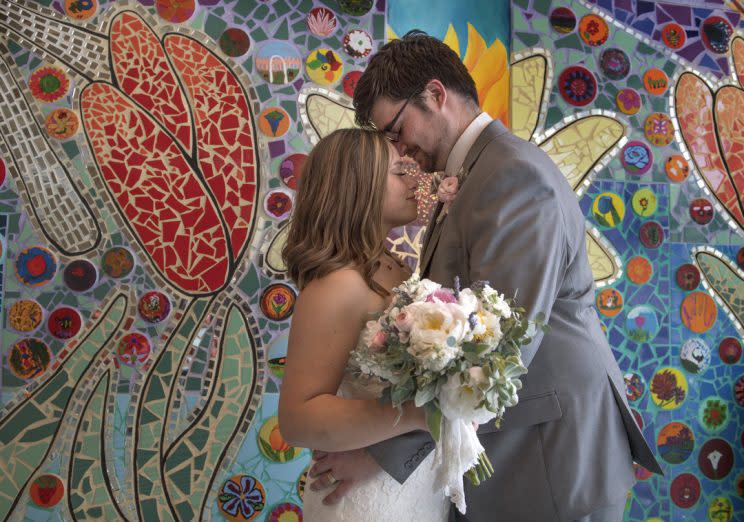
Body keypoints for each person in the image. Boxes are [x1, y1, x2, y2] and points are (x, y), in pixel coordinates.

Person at [310, 30, 663, 522]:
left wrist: (381, 451)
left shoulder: (511, 176)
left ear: (435, 95)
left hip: (552, 455)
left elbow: (499, 347)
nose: (400, 152)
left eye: (395, 130)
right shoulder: (477, 172)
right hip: (519, 447)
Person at [278, 128, 450, 520]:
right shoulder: (337, 285)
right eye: (398, 172)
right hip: (365, 502)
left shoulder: (392, 263)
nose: (415, 180)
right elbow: (297, 418)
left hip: (412, 484)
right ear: (357, 187)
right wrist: (416, 415)